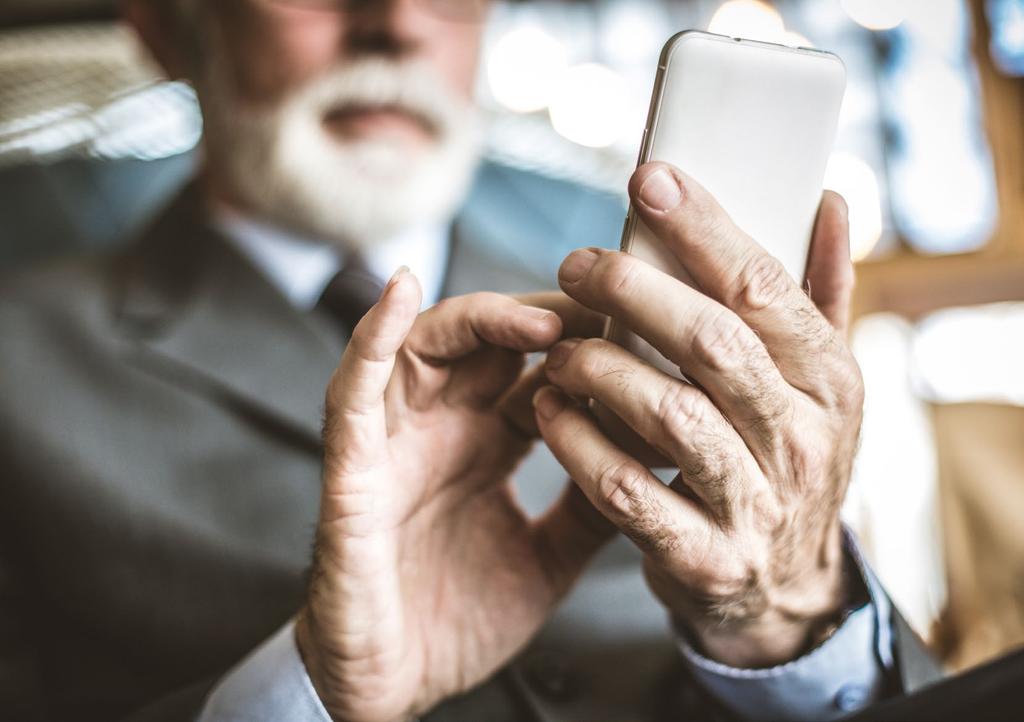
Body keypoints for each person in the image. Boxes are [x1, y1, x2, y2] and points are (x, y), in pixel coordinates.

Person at [0, 1, 939, 720]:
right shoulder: (21, 356)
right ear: (167, 28)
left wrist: (795, 617)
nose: (396, 25)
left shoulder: (655, 315)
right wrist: (316, 689)